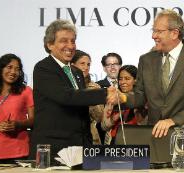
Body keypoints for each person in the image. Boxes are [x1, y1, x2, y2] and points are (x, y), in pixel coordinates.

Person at [125, 9, 184, 155]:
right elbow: (140, 96)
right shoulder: (146, 60)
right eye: (153, 31)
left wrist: (173, 120)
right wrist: (122, 98)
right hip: (156, 142)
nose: (154, 36)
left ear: (174, 33)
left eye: (159, 31)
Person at [29, 19, 118, 164]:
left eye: (73, 41)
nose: (70, 46)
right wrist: (105, 93)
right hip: (53, 150)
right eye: (64, 41)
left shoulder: (76, 72)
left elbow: (82, 109)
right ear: (50, 44)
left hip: (79, 149)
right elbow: (67, 96)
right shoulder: (43, 68)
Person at [0, 54, 34, 163]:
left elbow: (34, 119)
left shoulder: (26, 91)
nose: (13, 72)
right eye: (9, 67)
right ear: (0, 69)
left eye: (17, 69)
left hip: (20, 151)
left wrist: (18, 124)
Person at [101, 65, 144, 145]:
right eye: (120, 79)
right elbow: (104, 126)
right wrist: (113, 119)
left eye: (127, 79)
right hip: (114, 143)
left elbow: (148, 124)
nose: (123, 82)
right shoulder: (113, 98)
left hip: (137, 143)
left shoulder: (142, 99)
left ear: (135, 80)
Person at [71, 49, 104, 145]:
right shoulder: (66, 87)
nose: (86, 67)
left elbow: (100, 117)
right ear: (72, 65)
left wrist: (91, 96)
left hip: (91, 138)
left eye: (88, 64)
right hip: (69, 136)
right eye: (82, 63)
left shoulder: (94, 87)